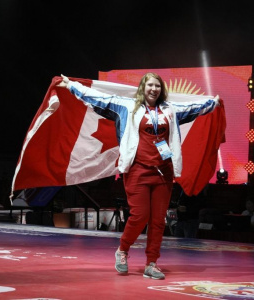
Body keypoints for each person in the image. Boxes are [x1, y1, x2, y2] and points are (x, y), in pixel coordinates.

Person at [58, 73, 220, 279]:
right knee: (140, 215)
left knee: (158, 221)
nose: (154, 89)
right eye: (150, 85)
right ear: (143, 87)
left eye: (158, 86)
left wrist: (213, 102)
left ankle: (151, 263)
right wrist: (72, 85)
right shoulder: (126, 106)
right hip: (137, 171)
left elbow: (193, 108)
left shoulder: (170, 110)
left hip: (163, 172)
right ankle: (122, 250)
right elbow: (98, 97)